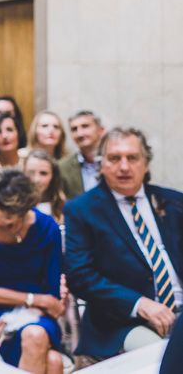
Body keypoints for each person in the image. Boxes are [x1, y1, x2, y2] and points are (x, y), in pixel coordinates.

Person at [64, 127, 183, 361]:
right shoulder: (83, 210)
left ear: (146, 164)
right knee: (161, 356)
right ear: (101, 164)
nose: (124, 166)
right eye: (115, 158)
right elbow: (80, 276)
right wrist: (139, 304)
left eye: (133, 158)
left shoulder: (173, 202)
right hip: (121, 322)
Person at [0, 170, 64, 372]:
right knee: (53, 361)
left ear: (25, 210)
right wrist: (32, 300)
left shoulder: (47, 229)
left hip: (38, 315)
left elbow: (52, 294)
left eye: (9, 222)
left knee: (35, 336)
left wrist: (28, 312)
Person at [59, 110, 105, 199]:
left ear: (101, 130)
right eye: (74, 129)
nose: (79, 134)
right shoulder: (62, 167)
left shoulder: (117, 162)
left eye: (85, 126)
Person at [24, 150, 65, 224]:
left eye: (43, 173)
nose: (36, 179)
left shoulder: (62, 207)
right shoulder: (14, 207)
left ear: (53, 177)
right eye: (30, 172)